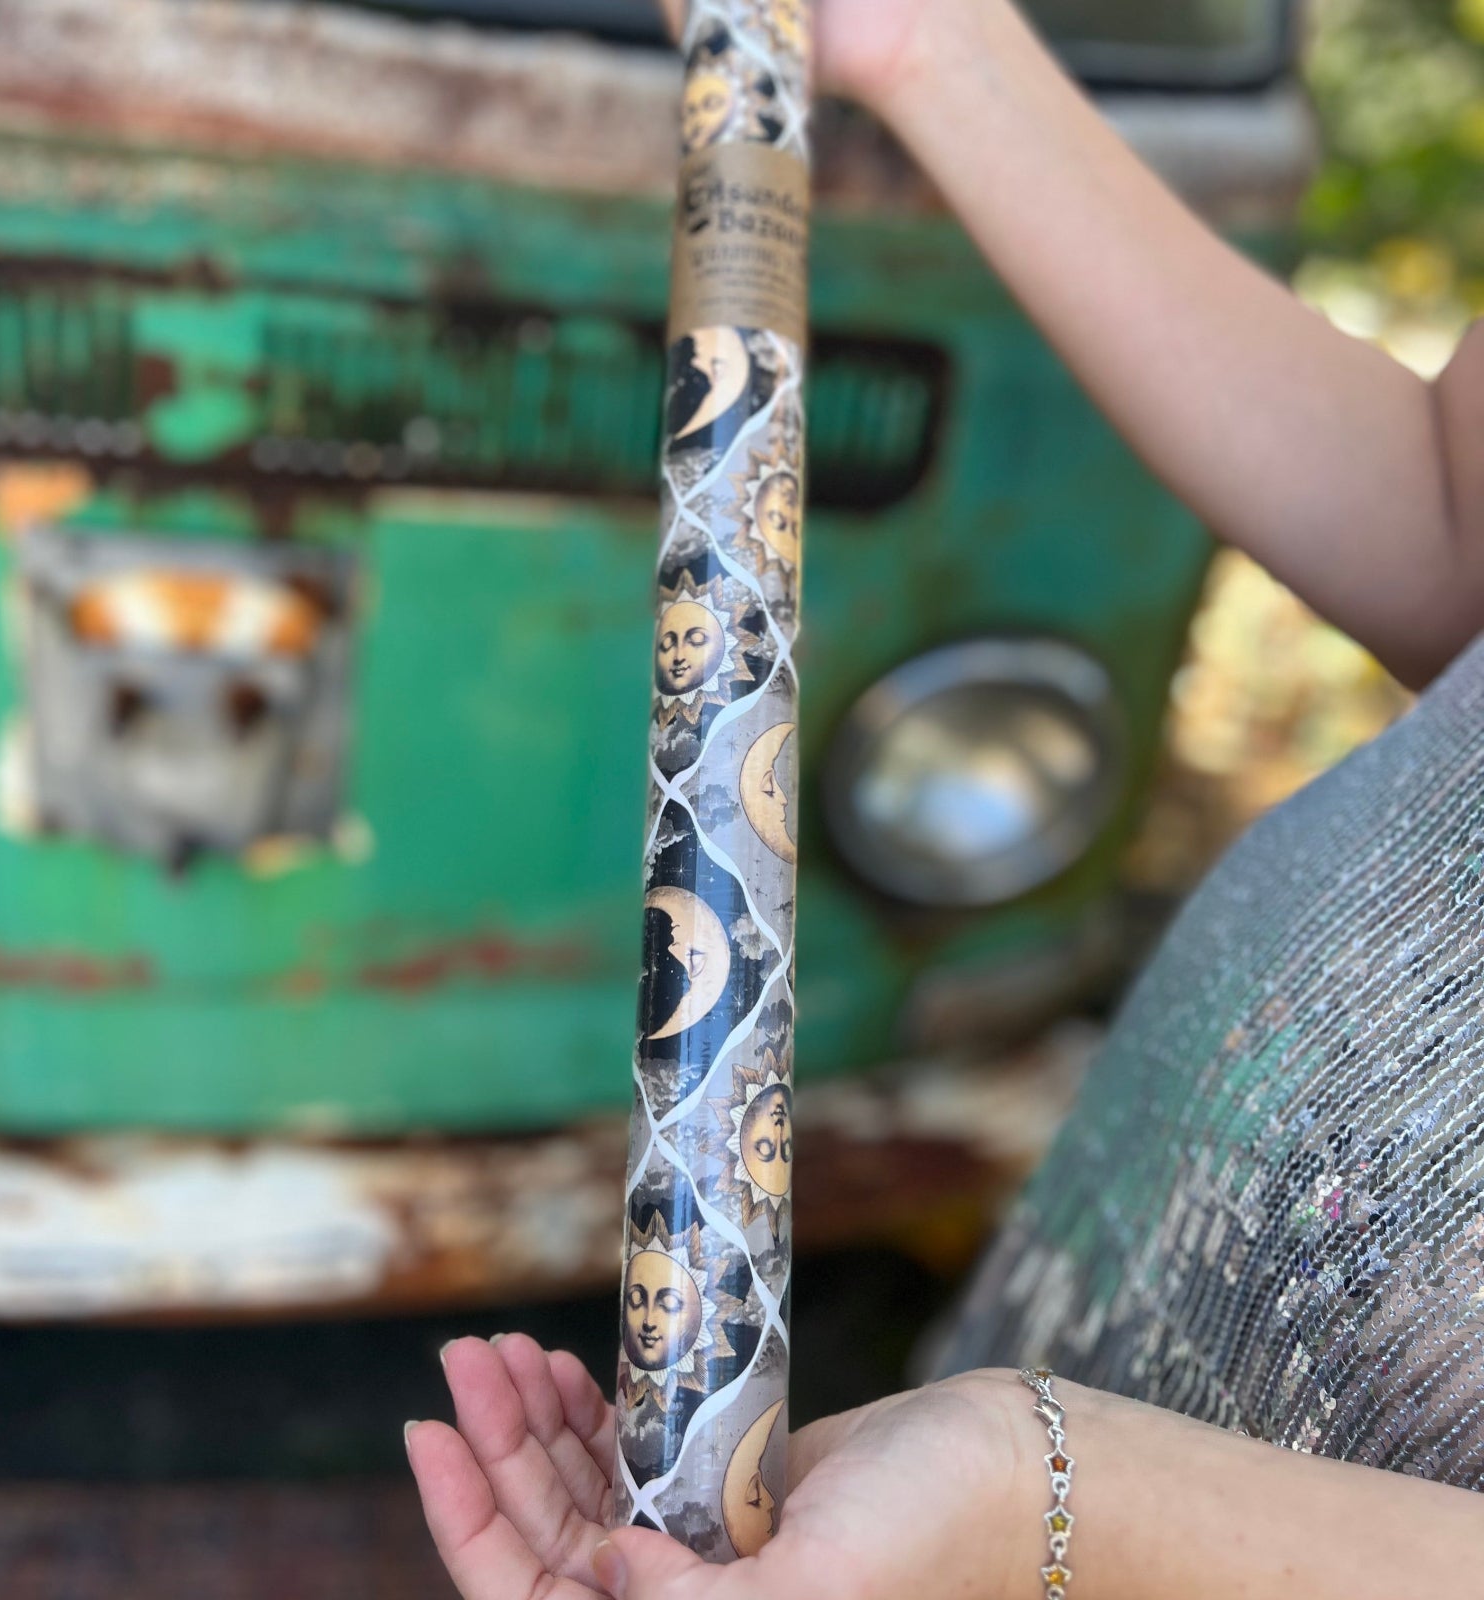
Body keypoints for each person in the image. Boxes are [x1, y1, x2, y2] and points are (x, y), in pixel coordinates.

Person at [406, 1, 1484, 1595]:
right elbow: (1450, 524)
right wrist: (928, 43)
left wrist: (1049, 1499)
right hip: (1078, 1399)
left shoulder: (1028, 1492)